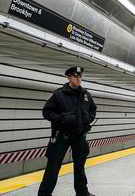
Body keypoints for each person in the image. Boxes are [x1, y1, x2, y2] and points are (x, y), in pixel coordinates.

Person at [38, 66, 96, 196]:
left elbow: (93, 109)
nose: (78, 79)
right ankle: (44, 194)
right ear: (69, 77)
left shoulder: (86, 94)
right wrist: (61, 119)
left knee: (80, 166)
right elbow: (46, 112)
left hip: (79, 135)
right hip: (62, 136)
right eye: (75, 76)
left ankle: (82, 192)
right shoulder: (59, 94)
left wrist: (88, 119)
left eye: (80, 76)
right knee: (53, 166)